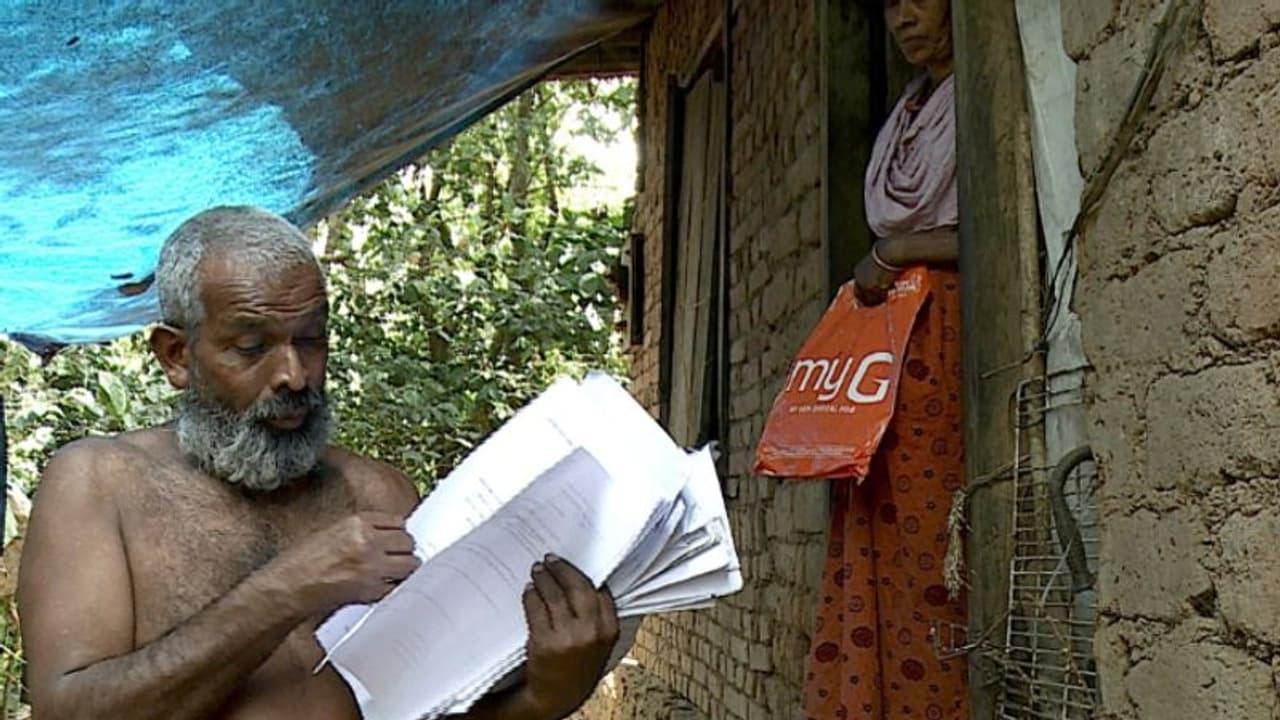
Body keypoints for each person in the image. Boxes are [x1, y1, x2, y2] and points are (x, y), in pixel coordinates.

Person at [17, 206, 621, 720]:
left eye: (310, 340)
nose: (294, 375)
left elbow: (431, 709)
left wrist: (544, 696)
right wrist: (288, 589)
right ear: (176, 356)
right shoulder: (98, 483)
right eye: (251, 347)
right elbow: (70, 708)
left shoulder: (380, 495)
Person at [804, 0, 968, 718]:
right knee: (875, 523)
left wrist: (896, 252)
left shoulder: (979, 100)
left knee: (932, 542)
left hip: (942, 336)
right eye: (892, 1)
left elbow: (988, 223)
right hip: (891, 341)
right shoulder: (911, 107)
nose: (903, 15)